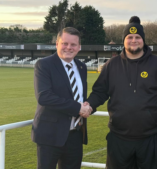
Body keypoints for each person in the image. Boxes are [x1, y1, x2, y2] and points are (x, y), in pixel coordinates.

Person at [85, 16, 157, 169]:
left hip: (152, 139)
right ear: (124, 40)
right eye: (130, 37)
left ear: (143, 40)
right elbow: (99, 92)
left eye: (137, 37)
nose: (133, 40)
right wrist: (89, 106)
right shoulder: (111, 65)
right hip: (119, 140)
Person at [31, 27, 92, 169]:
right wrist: (78, 108)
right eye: (65, 43)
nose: (69, 47)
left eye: (73, 44)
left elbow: (80, 96)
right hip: (50, 134)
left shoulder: (82, 67)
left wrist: (87, 106)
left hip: (76, 135)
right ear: (57, 44)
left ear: (79, 47)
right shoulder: (44, 64)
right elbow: (44, 97)